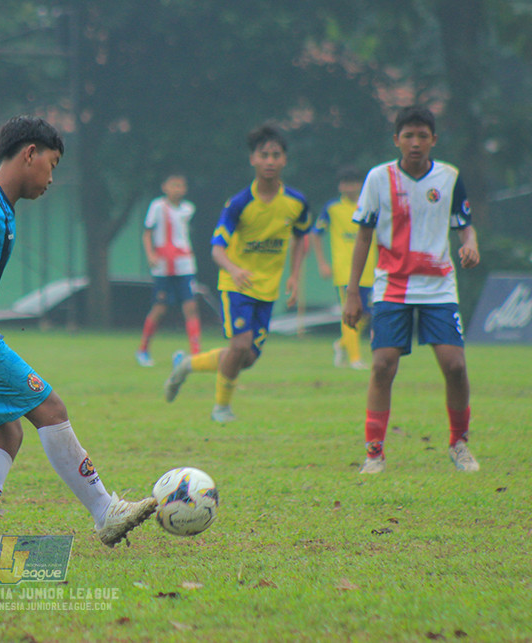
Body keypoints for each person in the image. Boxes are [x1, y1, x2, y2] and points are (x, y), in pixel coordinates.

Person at [0, 116, 156, 556]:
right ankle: (105, 512)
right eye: (52, 164)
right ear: (29, 155)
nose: (52, 178)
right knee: (50, 407)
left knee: (6, 435)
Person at [343, 105, 480, 474]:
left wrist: (471, 243)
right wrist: (353, 291)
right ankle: (374, 452)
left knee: (455, 366)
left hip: (439, 287)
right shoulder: (378, 178)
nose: (415, 143)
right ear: (396, 140)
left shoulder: (449, 177)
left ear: (433, 139)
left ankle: (459, 443)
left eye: (423, 136)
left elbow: (464, 224)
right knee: (382, 366)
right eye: (408, 136)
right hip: (392, 286)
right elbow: (364, 235)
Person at [164, 124, 312, 423]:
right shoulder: (239, 204)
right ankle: (221, 408)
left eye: (276, 155)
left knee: (246, 358)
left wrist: (294, 276)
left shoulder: (296, 202)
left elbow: (301, 237)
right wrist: (235, 268)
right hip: (236, 285)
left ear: (284, 160)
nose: (270, 161)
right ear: (252, 160)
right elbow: (217, 249)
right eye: (264, 155)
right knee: (240, 346)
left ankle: (187, 365)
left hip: (267, 290)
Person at [309, 166, 377, 370]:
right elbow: (316, 233)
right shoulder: (332, 208)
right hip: (345, 270)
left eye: (353, 182)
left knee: (366, 313)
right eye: (345, 183)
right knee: (351, 311)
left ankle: (341, 345)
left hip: (370, 269)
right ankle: (355, 358)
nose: (349, 187)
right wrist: (322, 262)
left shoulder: (370, 206)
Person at [136, 173, 202, 367]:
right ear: (164, 187)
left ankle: (196, 354)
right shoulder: (157, 206)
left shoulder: (188, 209)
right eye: (173, 185)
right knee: (159, 307)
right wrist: (151, 255)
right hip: (163, 267)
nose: (177, 189)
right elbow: (147, 233)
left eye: (181, 186)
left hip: (185, 265)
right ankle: (143, 350)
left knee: (190, 306)